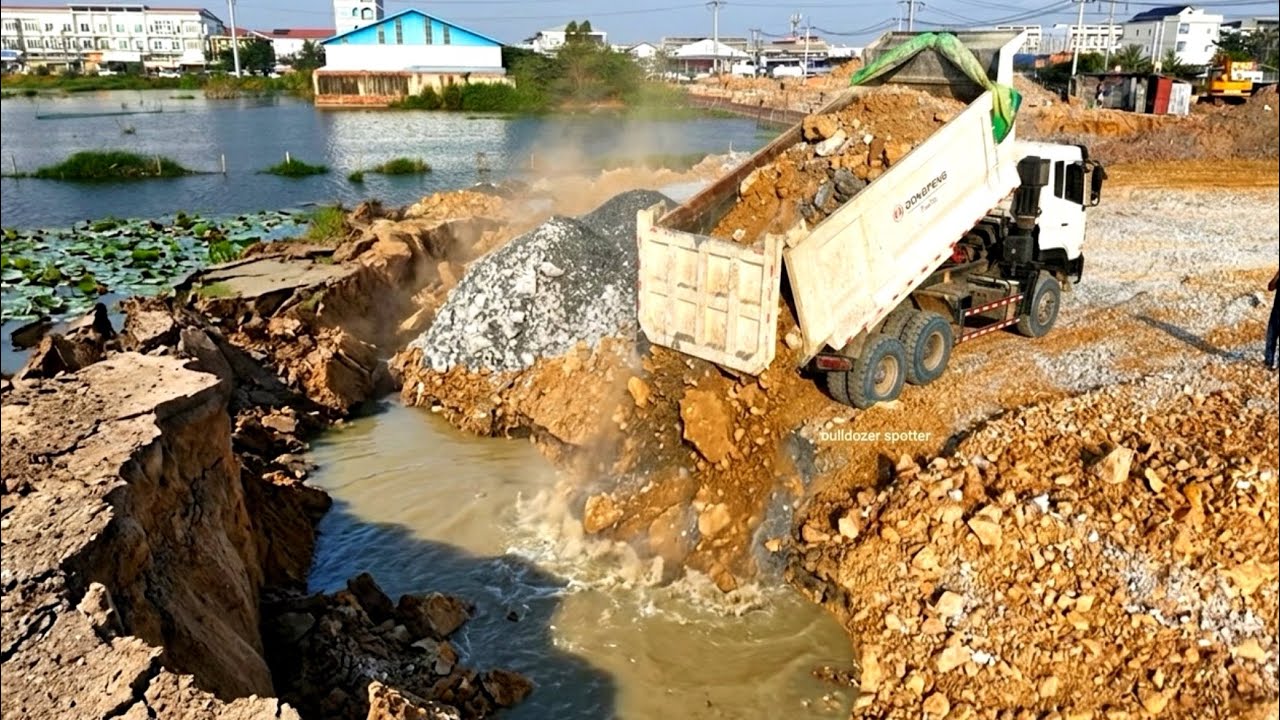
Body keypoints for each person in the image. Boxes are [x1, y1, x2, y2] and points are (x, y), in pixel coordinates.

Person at [1267, 270, 1279, 371]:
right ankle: (1268, 363)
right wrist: (1277, 275)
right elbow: (1270, 287)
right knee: (1270, 338)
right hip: (1276, 313)